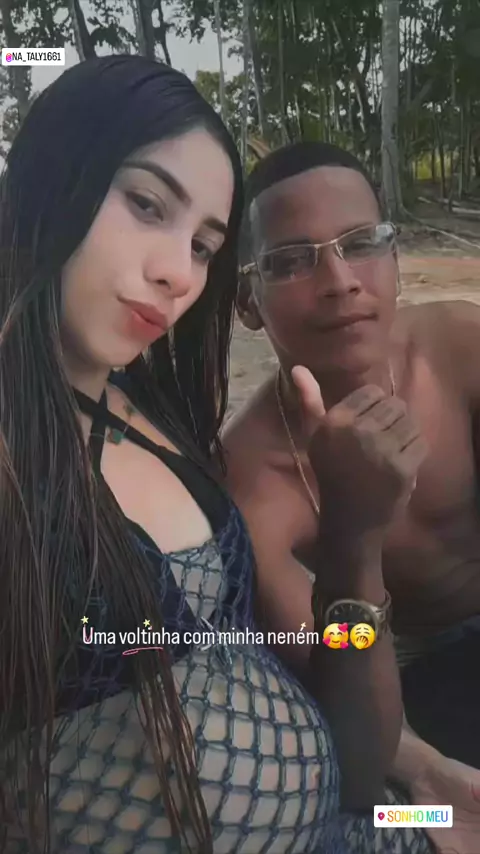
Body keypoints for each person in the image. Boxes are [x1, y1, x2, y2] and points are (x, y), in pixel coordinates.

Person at [0, 58, 433, 854]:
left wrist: (355, 541)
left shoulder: (165, 424)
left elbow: (354, 745)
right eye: (145, 204)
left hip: (358, 824)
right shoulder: (244, 465)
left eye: (203, 246)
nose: (176, 274)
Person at [224, 140, 480, 851]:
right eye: (292, 260)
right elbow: (350, 717)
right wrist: (354, 534)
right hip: (398, 701)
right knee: (366, 820)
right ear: (247, 302)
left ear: (394, 257)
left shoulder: (461, 349)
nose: (340, 281)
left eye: (362, 243)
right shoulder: (248, 479)